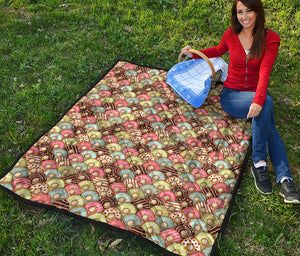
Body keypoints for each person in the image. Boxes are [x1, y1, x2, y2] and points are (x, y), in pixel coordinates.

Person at [181, 0, 300, 204]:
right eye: (240, 12)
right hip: (232, 96)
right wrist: (194, 55)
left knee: (267, 115)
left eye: (249, 11)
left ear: (258, 11)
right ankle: (267, 167)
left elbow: (265, 71)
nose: (244, 16)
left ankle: (281, 176)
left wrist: (258, 99)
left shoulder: (271, 39)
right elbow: (218, 50)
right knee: (267, 107)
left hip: (255, 93)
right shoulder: (231, 34)